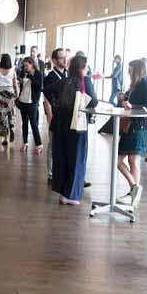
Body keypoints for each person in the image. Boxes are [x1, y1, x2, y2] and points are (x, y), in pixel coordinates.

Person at [46, 54, 98, 205]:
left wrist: (56, 104)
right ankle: (72, 195)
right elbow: (94, 101)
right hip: (77, 125)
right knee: (77, 159)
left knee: (62, 158)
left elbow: (47, 90)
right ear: (82, 68)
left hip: (60, 124)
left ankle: (63, 192)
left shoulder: (64, 81)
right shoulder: (85, 81)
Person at [116, 59, 147, 208]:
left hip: (139, 126)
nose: (128, 72)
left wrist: (132, 105)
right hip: (131, 126)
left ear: (136, 70)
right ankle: (134, 189)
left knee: (132, 159)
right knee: (125, 160)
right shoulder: (135, 85)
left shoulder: (145, 85)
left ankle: (133, 191)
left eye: (130, 69)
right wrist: (125, 99)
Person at [43, 48, 68, 181]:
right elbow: (46, 99)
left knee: (65, 144)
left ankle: (63, 171)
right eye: (61, 58)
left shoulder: (68, 75)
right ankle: (51, 173)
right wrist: (50, 116)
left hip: (67, 115)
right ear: (54, 60)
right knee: (53, 144)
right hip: (55, 115)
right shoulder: (50, 78)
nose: (65, 60)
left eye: (65, 57)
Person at [17, 56, 43, 154]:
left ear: (32, 65)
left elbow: (39, 87)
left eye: (27, 65)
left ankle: (39, 144)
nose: (25, 67)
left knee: (33, 123)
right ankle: (25, 143)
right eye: (24, 66)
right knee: (24, 123)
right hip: (23, 100)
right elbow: (21, 85)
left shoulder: (38, 74)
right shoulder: (23, 72)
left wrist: (31, 77)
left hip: (32, 102)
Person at [0, 53, 19, 149]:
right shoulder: (12, 70)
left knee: (1, 116)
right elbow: (15, 83)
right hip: (10, 92)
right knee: (11, 113)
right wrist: (17, 93)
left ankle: (5, 139)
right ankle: (12, 128)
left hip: (0, 93)